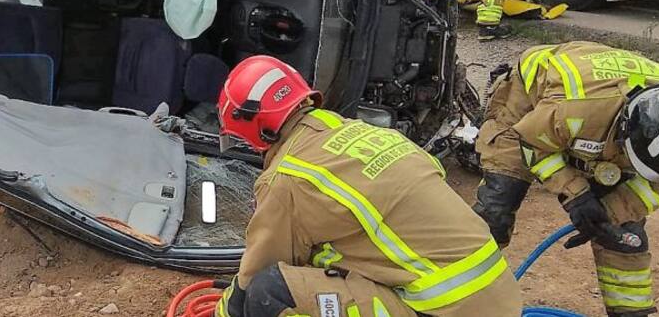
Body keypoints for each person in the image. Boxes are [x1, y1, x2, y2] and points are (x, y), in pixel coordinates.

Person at [215, 56, 522, 317]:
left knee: (270, 291)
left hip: (440, 309)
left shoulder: (288, 177)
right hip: (499, 300)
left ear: (256, 128)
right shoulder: (370, 134)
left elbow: (254, 274)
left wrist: (225, 308)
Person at [473, 41, 659, 317]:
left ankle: (630, 313)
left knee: (623, 233)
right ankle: (464, 300)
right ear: (624, 132)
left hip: (602, 110)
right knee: (497, 207)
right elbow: (532, 144)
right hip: (529, 101)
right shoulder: (573, 109)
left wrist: (608, 214)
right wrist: (576, 196)